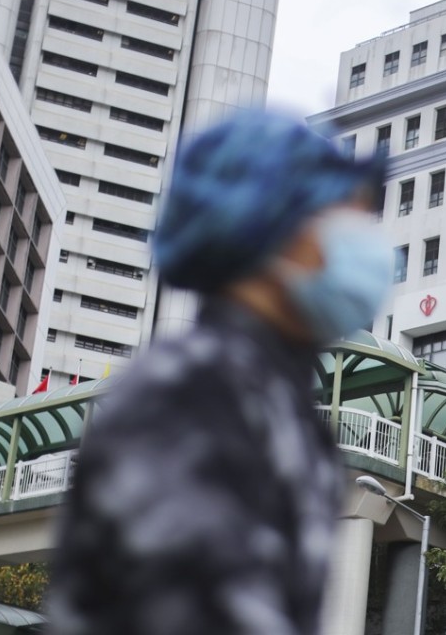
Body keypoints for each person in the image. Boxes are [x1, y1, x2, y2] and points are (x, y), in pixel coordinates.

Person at [47, 110, 392, 635]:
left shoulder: (268, 394)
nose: (367, 240)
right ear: (274, 224)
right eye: (344, 217)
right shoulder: (194, 390)